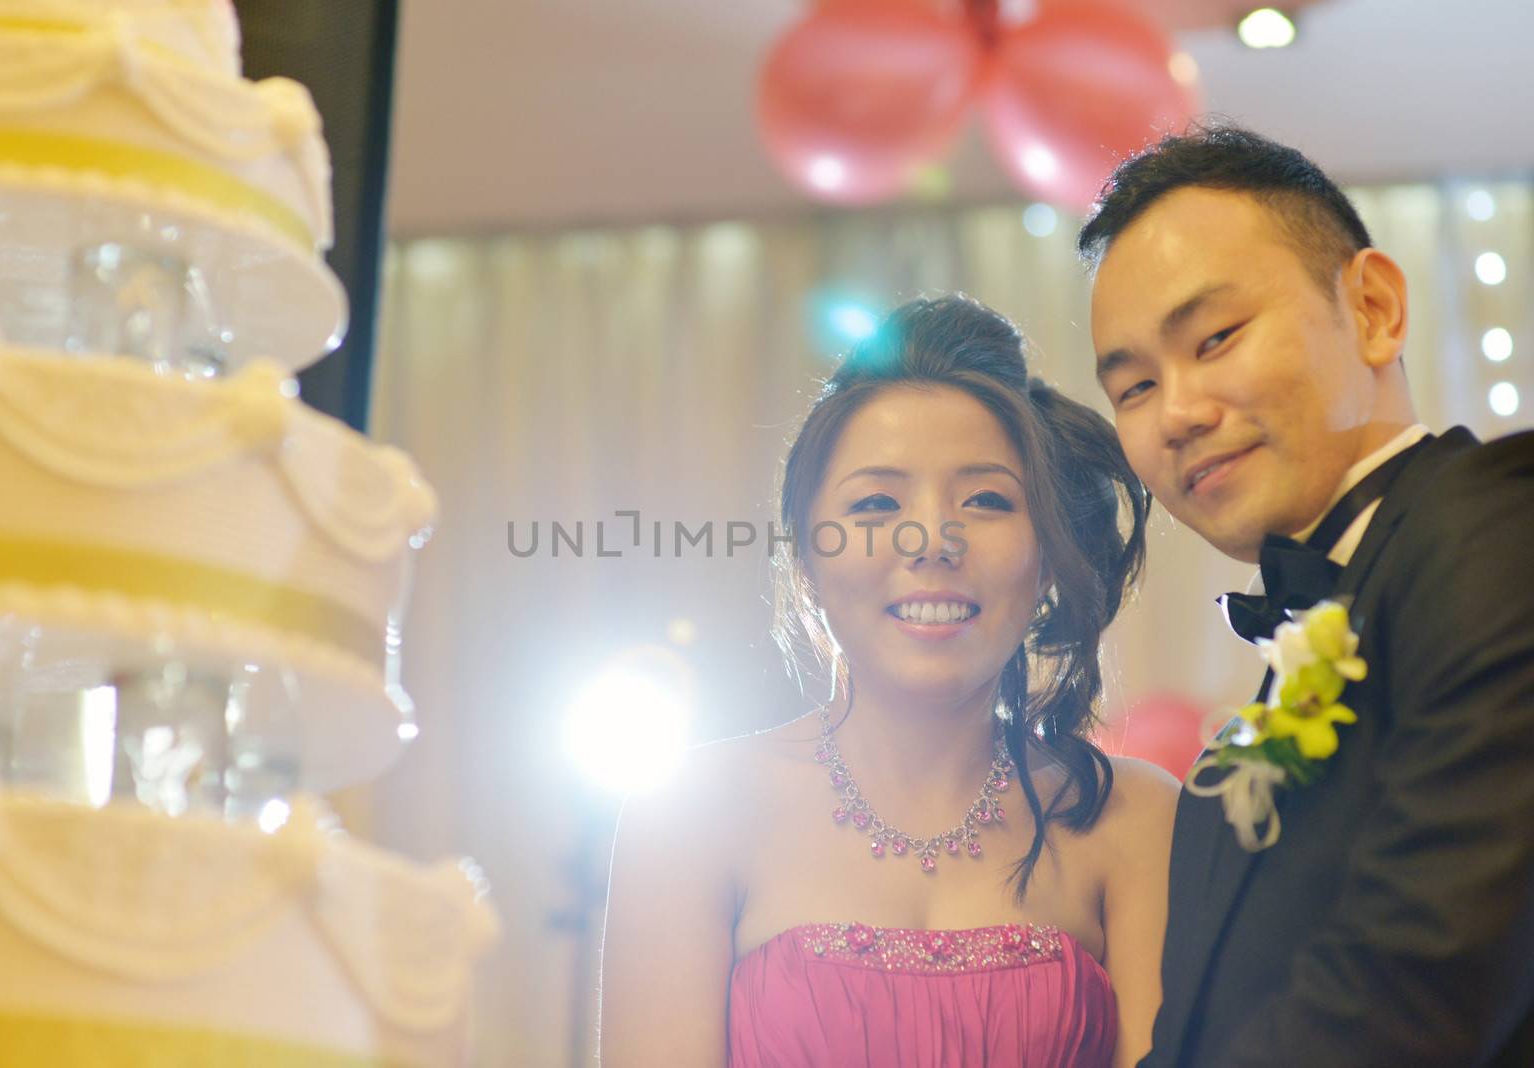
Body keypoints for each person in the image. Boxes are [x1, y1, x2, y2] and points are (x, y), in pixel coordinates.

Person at [599, 294, 1178, 1066]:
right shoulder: (686, 815)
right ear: (805, 557)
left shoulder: (1134, 818)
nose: (932, 541)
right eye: (876, 501)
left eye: (986, 500)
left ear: (1046, 552)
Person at [1081, 124, 1534, 1066]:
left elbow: (1422, 977)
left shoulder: (1498, 533)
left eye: (1215, 338)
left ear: (1371, 308)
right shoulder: (1224, 768)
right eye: (1132, 388)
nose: (1178, 414)